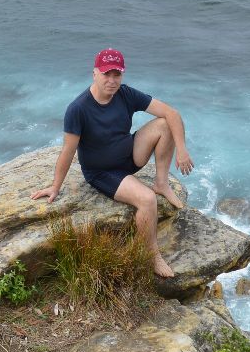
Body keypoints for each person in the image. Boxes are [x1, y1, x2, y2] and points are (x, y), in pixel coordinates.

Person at [30, 48, 193, 278]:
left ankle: (161, 182)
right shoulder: (78, 109)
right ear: (95, 73)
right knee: (146, 200)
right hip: (103, 172)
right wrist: (55, 187)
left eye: (117, 75)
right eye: (106, 74)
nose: (112, 80)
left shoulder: (125, 94)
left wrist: (182, 150)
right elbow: (68, 151)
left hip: (129, 157)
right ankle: (152, 255)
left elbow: (172, 113)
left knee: (165, 123)